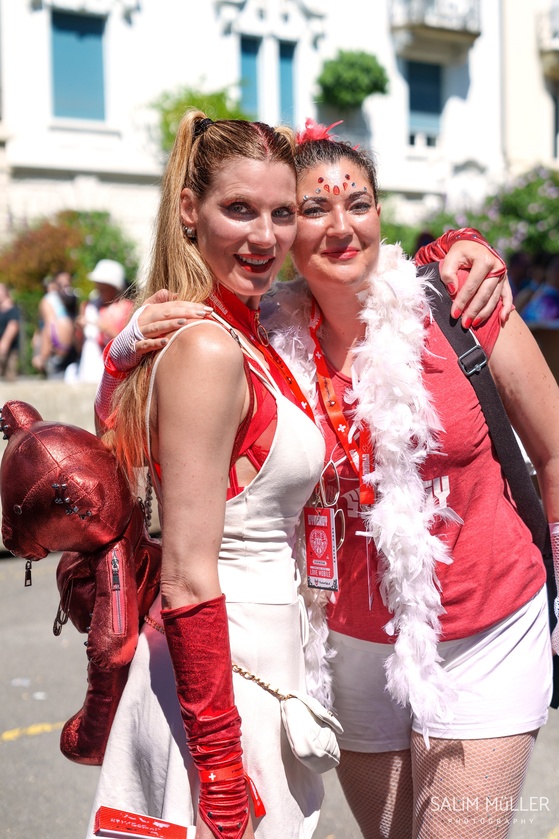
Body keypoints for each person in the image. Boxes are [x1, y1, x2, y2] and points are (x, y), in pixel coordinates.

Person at [98, 120, 557, 839]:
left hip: (486, 628)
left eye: (360, 203)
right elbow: (138, 432)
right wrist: (122, 352)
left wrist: (461, 238)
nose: (340, 226)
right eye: (310, 209)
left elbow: (554, 452)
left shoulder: (460, 306)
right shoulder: (263, 333)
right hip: (350, 648)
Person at [86, 114, 328, 839]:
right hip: (219, 688)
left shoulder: (247, 333)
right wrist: (220, 766)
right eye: (239, 210)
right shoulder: (207, 348)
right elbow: (187, 572)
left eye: (282, 213)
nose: (264, 237)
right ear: (189, 209)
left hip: (255, 671)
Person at [67, 259, 133, 383]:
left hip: (112, 376)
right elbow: (78, 347)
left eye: (104, 287)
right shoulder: (88, 307)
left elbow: (130, 347)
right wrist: (78, 330)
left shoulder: (127, 309)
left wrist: (106, 328)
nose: (99, 289)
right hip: (87, 371)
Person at [32, 271, 78, 378]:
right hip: (56, 351)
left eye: (68, 284)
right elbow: (49, 326)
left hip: (70, 352)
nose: (66, 287)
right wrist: (44, 353)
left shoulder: (70, 301)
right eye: (62, 284)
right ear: (55, 286)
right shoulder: (50, 301)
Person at [0, 283, 21, 381]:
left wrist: (4, 343)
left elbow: (13, 327)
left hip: (9, 349)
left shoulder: (12, 310)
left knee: (9, 378)